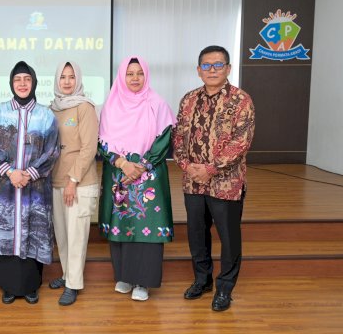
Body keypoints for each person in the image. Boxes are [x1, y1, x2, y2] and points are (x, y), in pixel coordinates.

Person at [172, 45, 255, 312]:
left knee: (228, 237)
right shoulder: (188, 100)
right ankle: (202, 280)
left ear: (228, 69)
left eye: (218, 65)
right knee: (197, 234)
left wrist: (210, 168)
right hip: (192, 182)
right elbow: (179, 138)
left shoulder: (241, 100)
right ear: (199, 70)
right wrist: (187, 165)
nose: (212, 70)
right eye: (206, 65)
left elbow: (240, 143)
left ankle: (224, 289)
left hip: (226, 184)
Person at [98, 56, 176, 302]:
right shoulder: (111, 105)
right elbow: (102, 142)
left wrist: (141, 166)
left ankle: (143, 282)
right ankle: (124, 276)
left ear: (146, 76)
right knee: (122, 224)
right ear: (122, 76)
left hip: (148, 176)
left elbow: (164, 139)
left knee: (147, 228)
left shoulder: (157, 104)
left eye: (139, 73)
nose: (134, 78)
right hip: (119, 172)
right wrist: (122, 163)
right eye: (129, 73)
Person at [0, 61, 60, 305]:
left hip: (34, 188)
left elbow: (52, 150)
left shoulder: (46, 114)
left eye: (27, 79)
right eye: (18, 80)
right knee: (6, 232)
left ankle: (30, 285)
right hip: (4, 186)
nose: (23, 84)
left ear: (34, 82)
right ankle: (7, 286)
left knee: (32, 232)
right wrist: (10, 172)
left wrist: (28, 173)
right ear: (11, 83)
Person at [48, 61, 99, 306]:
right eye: (63, 77)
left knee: (77, 235)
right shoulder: (52, 108)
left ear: (77, 79)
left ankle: (73, 284)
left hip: (78, 183)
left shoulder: (85, 107)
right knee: (62, 234)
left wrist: (72, 180)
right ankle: (67, 274)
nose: (67, 82)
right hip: (55, 181)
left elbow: (89, 149)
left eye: (71, 77)